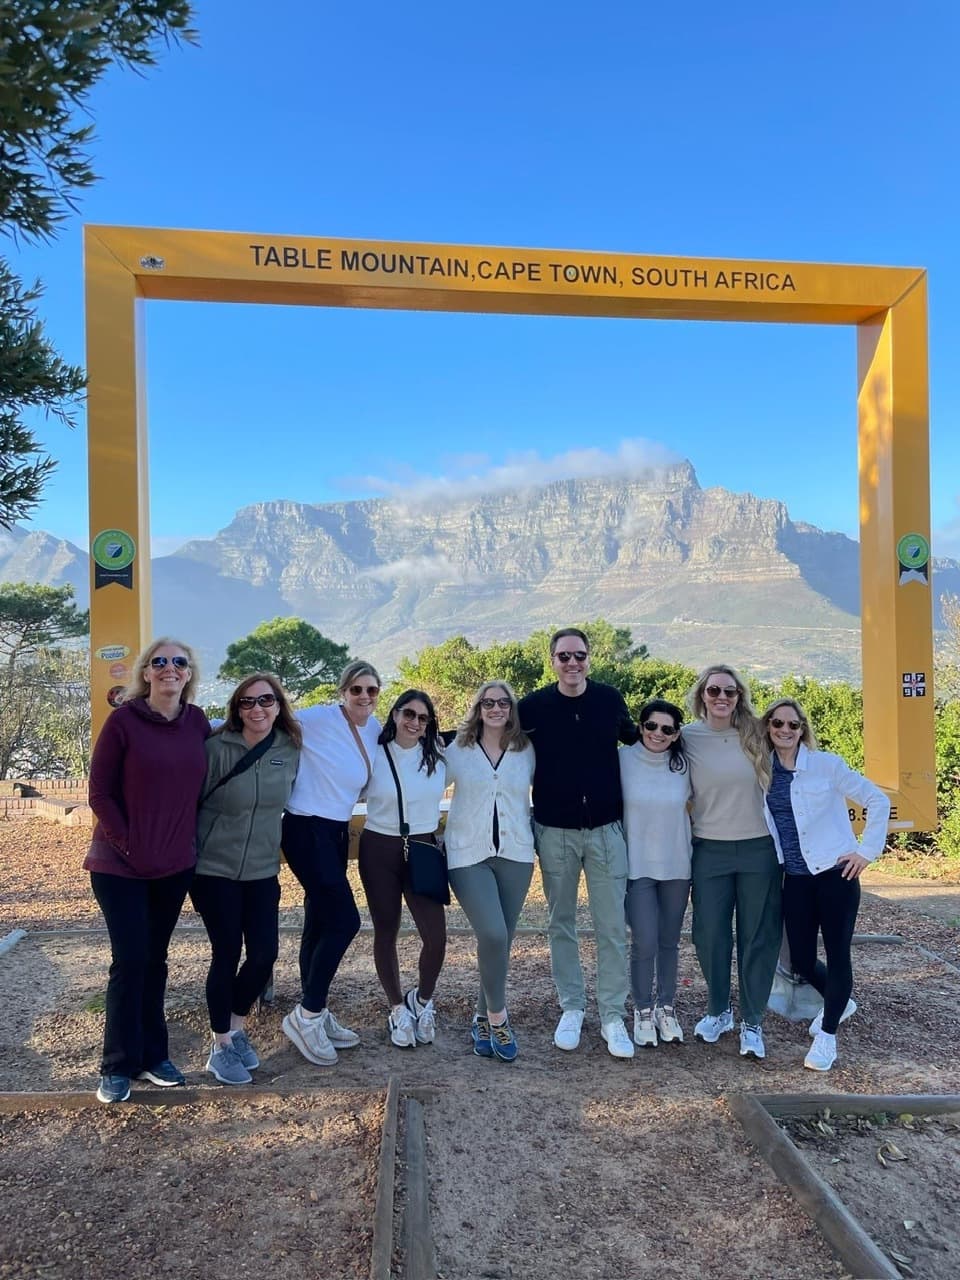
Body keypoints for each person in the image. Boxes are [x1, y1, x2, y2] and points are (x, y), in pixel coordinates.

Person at [84, 638, 210, 1104]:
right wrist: (128, 843)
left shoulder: (197, 723)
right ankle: (117, 1065)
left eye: (179, 661)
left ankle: (154, 1057)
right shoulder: (123, 722)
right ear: (146, 672)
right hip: (120, 866)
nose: (169, 668)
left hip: (173, 865)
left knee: (156, 960)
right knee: (130, 959)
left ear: (189, 673)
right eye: (159, 662)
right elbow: (99, 793)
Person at [517, 627, 637, 1060]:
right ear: (551, 660)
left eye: (579, 655)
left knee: (612, 928)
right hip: (555, 831)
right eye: (564, 656)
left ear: (589, 658)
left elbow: (639, 739)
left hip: (606, 831)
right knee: (560, 923)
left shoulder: (609, 699)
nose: (572, 663)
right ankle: (572, 1006)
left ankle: (612, 1016)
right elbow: (493, 736)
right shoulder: (532, 707)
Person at [761, 698, 889, 1072]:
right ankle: (840, 1001)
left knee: (837, 953)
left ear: (803, 729)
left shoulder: (826, 765)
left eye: (793, 724)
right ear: (768, 727)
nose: (785, 730)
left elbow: (877, 800)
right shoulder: (762, 771)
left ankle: (828, 1035)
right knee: (800, 959)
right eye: (778, 723)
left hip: (836, 876)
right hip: (796, 879)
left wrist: (866, 852)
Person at [192, 674, 301, 1084]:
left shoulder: (289, 748)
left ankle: (236, 1028)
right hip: (213, 870)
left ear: (278, 705)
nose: (257, 709)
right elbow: (188, 800)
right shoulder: (216, 748)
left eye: (266, 701)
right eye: (247, 702)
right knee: (226, 953)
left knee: (263, 955)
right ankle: (220, 1044)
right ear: (236, 708)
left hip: (262, 870)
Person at [281, 660, 382, 1066]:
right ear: (343, 691)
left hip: (337, 831)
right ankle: (306, 1015)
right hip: (306, 827)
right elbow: (264, 719)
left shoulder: (373, 729)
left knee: (320, 919)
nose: (364, 697)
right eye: (356, 689)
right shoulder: (317, 719)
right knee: (345, 921)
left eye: (371, 690)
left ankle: (316, 1009)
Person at [683, 664, 781, 1060]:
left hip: (759, 849)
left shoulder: (759, 733)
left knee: (758, 936)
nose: (721, 697)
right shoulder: (686, 737)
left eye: (729, 691)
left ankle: (752, 1021)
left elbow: (800, 763)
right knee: (709, 934)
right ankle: (719, 1010)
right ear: (702, 696)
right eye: (714, 691)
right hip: (709, 849)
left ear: (739, 696)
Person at [445, 681, 535, 1062]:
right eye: (488, 702)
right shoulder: (458, 749)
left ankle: (481, 1018)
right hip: (468, 855)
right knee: (493, 933)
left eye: (503, 702)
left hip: (516, 854)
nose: (496, 708)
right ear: (478, 708)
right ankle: (499, 1018)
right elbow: (425, 783)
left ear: (511, 708)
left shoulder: (526, 750)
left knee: (502, 940)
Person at [358, 690, 446, 1048]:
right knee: (386, 930)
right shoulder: (372, 753)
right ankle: (397, 1007)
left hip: (423, 848)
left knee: (436, 938)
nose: (415, 722)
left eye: (423, 718)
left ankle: (422, 1000)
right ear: (394, 714)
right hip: (378, 847)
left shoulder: (439, 755)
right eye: (408, 713)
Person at [620, 699, 692, 1048]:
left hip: (677, 865)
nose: (658, 733)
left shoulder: (685, 765)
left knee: (668, 942)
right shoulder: (622, 760)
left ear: (676, 734)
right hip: (637, 867)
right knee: (644, 941)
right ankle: (643, 1010)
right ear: (641, 726)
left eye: (667, 729)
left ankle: (666, 1007)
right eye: (651, 726)